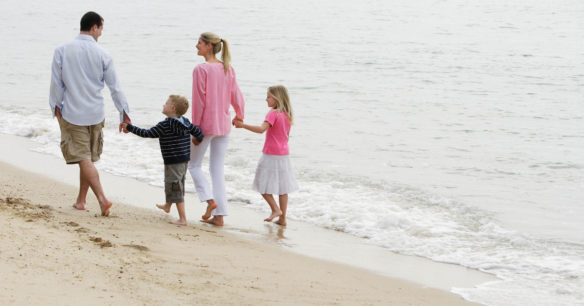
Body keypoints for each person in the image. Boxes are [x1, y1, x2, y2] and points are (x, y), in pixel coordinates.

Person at [49, 11, 131, 217]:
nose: (101, 33)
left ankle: (102, 199)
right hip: (95, 113)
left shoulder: (62, 50)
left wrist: (55, 106)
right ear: (94, 27)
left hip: (72, 112)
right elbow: (115, 87)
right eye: (101, 28)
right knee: (87, 159)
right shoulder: (104, 54)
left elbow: (56, 83)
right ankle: (81, 201)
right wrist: (124, 113)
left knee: (84, 158)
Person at [189, 32, 245, 226]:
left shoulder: (201, 69)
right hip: (223, 125)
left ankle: (210, 200)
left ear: (209, 46)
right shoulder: (228, 68)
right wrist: (240, 114)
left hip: (205, 126)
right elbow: (236, 94)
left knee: (193, 165)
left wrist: (195, 127)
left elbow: (199, 101)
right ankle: (219, 216)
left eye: (199, 43)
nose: (196, 46)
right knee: (217, 170)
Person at [121, 95, 204, 226]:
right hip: (184, 160)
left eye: (165, 103)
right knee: (176, 183)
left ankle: (183, 219)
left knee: (175, 187)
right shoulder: (186, 122)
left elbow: (147, 133)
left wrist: (130, 128)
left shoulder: (165, 125)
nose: (163, 105)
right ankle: (167, 205)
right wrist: (197, 140)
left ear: (172, 108)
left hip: (172, 160)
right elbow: (199, 133)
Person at [234, 85, 298, 226]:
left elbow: (261, 129)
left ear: (276, 98)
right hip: (284, 155)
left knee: (261, 184)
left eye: (268, 96)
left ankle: (275, 209)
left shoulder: (273, 113)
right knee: (283, 189)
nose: (266, 99)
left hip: (270, 154)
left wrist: (242, 125)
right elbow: (286, 136)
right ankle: (282, 219)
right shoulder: (287, 114)